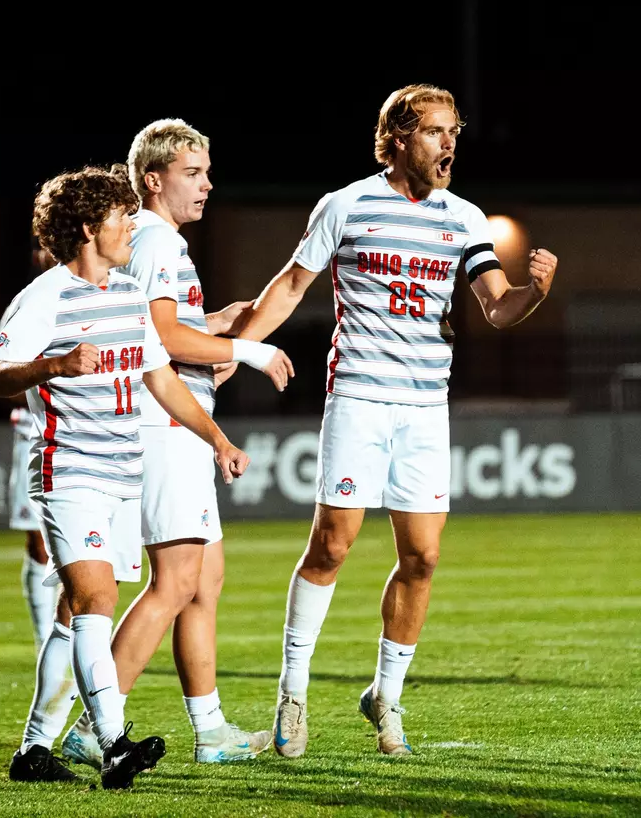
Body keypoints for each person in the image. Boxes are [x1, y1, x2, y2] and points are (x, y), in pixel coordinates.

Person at [236, 84, 558, 756]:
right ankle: (292, 696)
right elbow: (291, 285)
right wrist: (239, 349)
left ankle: (386, 696)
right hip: (357, 396)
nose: (449, 145)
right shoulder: (347, 206)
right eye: (436, 132)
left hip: (423, 408)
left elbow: (496, 309)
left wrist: (533, 292)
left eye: (454, 133)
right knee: (331, 547)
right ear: (398, 139)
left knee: (424, 556)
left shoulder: (466, 219)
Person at [0, 165, 251, 790]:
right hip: (67, 470)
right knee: (98, 599)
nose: (132, 224)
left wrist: (218, 440)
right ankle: (113, 742)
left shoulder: (128, 295)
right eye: (119, 216)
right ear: (86, 227)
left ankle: (34, 749)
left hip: (122, 473)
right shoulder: (42, 297)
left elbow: (161, 380)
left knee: (75, 616)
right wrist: (57, 364)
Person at [62, 119, 294, 768]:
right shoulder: (159, 242)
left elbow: (165, 327)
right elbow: (161, 342)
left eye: (207, 172)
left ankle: (211, 728)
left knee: (204, 580)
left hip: (171, 426)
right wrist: (247, 348)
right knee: (175, 582)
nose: (207, 184)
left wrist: (212, 323)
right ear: (154, 179)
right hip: (162, 428)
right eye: (193, 173)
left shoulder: (151, 242)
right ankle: (94, 725)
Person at [8, 239, 59, 652]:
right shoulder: (29, 303)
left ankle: (74, 640)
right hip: (33, 431)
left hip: (82, 435)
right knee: (37, 541)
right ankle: (47, 639)